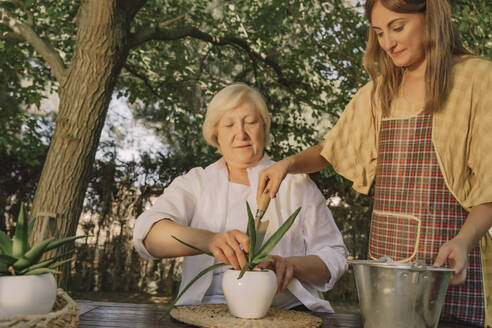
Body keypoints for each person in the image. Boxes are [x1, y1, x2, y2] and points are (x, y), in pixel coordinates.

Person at [256, 0, 492, 326]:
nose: (387, 42)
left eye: (397, 27)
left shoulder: (477, 79)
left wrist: (463, 241)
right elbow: (331, 148)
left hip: (449, 266)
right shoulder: (381, 91)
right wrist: (288, 164)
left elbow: (489, 187)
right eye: (379, 32)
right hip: (387, 267)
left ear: (432, 17)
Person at [132, 83, 348, 312]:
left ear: (264, 126)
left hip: (287, 310)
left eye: (251, 122)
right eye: (229, 124)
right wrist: (209, 240)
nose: (241, 134)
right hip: (204, 310)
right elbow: (147, 235)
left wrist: (293, 265)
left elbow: (334, 255)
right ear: (216, 134)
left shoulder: (297, 183)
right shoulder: (196, 183)